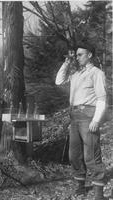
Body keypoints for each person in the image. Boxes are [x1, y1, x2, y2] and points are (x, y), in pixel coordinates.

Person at [55, 42, 107, 200]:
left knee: (91, 156)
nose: (76, 58)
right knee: (74, 155)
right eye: (76, 55)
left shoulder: (97, 73)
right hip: (74, 116)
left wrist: (96, 120)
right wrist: (66, 62)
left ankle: (99, 194)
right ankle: (80, 187)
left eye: (80, 55)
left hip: (88, 115)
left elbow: (102, 98)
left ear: (89, 55)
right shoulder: (76, 74)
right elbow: (58, 81)